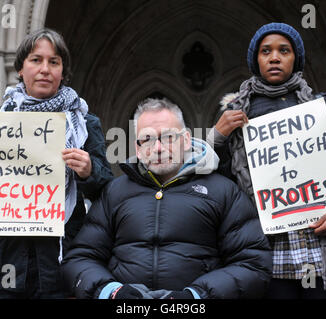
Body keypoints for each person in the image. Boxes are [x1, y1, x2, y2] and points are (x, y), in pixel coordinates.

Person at [207, 22, 326, 299]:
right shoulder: (236, 117)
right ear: (256, 59)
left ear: (295, 58)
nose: (274, 57)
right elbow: (214, 184)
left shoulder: (325, 109)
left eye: (284, 50)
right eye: (266, 51)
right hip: (269, 256)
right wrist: (216, 137)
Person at [0, 28, 113, 299]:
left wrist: (89, 171)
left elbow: (105, 191)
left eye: (54, 62)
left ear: (63, 71)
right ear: (20, 68)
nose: (44, 69)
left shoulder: (85, 124)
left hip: (59, 267)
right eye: (36, 60)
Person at [61, 98, 272, 299]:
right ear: (137, 148)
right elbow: (80, 258)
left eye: (168, 137)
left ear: (187, 139)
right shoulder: (114, 193)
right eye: (147, 139)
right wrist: (111, 291)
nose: (158, 148)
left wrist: (197, 295)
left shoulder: (223, 192)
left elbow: (253, 263)